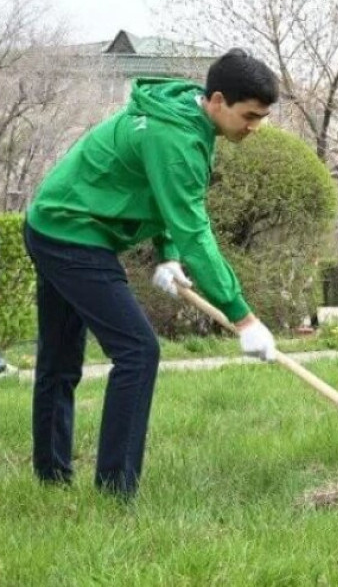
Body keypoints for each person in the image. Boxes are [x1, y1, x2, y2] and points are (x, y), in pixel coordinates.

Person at [22, 49, 278, 499]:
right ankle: (114, 493)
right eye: (250, 116)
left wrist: (167, 254)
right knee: (138, 351)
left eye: (261, 119)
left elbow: (159, 193)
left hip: (61, 224)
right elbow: (195, 229)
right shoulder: (176, 137)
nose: (255, 128)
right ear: (217, 100)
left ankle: (52, 479)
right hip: (70, 234)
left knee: (61, 361)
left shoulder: (185, 117)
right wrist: (243, 317)